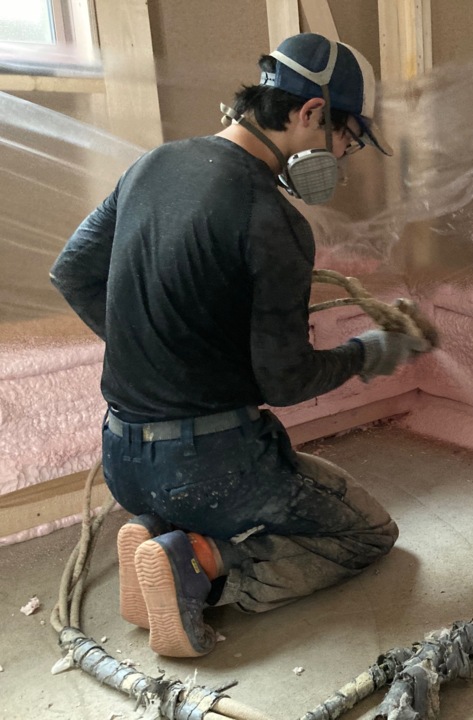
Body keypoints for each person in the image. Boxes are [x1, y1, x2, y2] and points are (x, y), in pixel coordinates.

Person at [49, 33, 428, 658]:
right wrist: (371, 353)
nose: (343, 156)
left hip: (122, 458)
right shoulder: (271, 217)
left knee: (291, 484)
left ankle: (152, 529)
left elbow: (71, 272)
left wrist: (161, 351)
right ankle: (197, 560)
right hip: (213, 470)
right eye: (348, 138)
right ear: (311, 113)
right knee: (365, 533)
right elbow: (285, 381)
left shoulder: (153, 165)